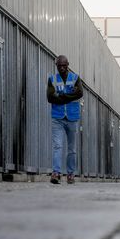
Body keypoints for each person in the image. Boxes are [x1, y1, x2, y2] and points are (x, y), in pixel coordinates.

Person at [46, 55, 83, 185]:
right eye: (59, 65)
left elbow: (80, 93)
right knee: (58, 146)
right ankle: (56, 173)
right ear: (56, 66)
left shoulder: (75, 78)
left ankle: (70, 174)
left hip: (72, 118)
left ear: (68, 65)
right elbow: (50, 97)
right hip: (57, 118)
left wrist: (61, 96)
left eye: (64, 65)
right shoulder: (52, 79)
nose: (62, 68)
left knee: (72, 148)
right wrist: (69, 96)